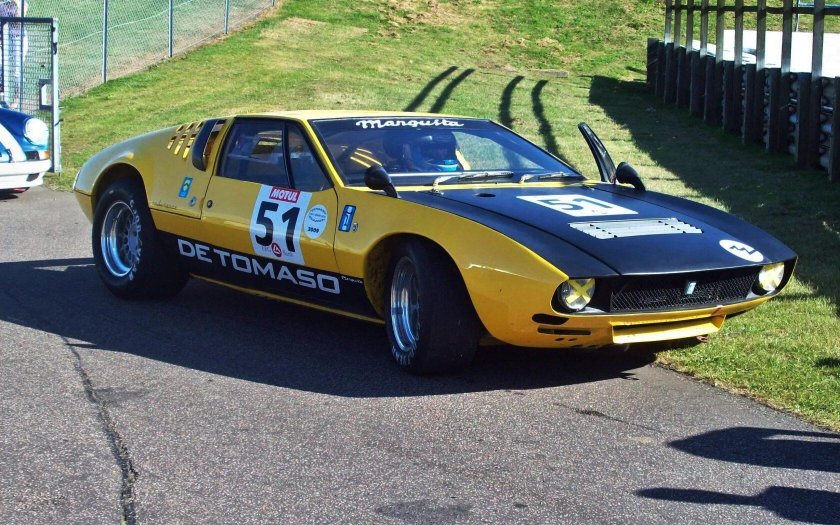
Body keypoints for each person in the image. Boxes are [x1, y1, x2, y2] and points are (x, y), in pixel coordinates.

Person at [0, 0, 26, 110]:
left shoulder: (21, 3)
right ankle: (2, 97)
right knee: (1, 68)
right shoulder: (2, 5)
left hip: (17, 38)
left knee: (17, 70)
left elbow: (19, 22)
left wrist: (16, 4)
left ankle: (16, 99)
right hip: (3, 39)